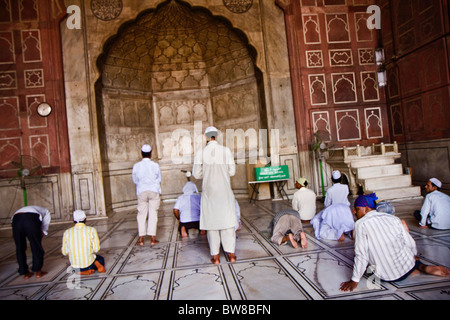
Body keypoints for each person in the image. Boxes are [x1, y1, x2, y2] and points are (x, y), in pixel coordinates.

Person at [340, 194, 450, 292]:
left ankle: (414, 267)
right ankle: (420, 267)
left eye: (357, 209)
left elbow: (361, 255)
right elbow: (409, 242)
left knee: (368, 266)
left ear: (367, 209)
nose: (354, 212)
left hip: (385, 276)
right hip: (406, 267)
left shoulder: (360, 224)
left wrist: (354, 280)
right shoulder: (393, 218)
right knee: (403, 251)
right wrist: (414, 256)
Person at [193, 126, 237, 265]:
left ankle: (216, 258)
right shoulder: (226, 151)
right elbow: (232, 171)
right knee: (227, 224)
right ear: (217, 136)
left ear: (206, 137)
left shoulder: (201, 152)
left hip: (209, 193)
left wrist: (207, 174)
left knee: (212, 225)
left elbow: (196, 174)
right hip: (224, 192)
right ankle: (231, 255)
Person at [132, 144, 162, 246]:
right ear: (150, 154)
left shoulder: (136, 166)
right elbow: (159, 179)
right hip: (153, 190)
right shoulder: (155, 165)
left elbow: (135, 180)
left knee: (141, 215)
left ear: (141, 153)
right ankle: (153, 239)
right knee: (153, 214)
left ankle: (141, 239)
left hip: (142, 191)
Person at [11, 205, 51, 279]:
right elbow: (47, 217)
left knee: (20, 247)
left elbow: (13, 221)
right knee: (36, 245)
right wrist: (43, 230)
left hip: (16, 220)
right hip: (30, 219)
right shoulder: (45, 210)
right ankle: (38, 271)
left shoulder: (21, 210)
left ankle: (25, 273)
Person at [62, 210, 105, 275]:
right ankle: (97, 265)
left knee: (73, 265)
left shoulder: (67, 232)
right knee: (100, 258)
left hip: (75, 266)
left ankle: (79, 272)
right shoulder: (91, 230)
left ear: (73, 220)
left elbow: (64, 252)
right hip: (89, 264)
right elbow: (96, 249)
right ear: (85, 219)